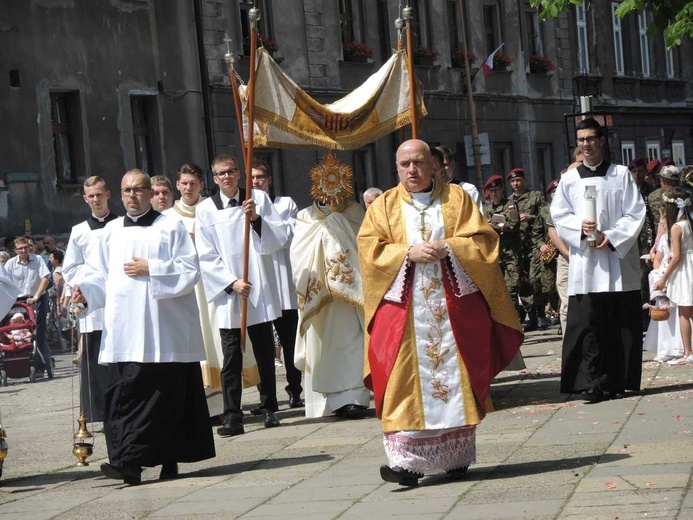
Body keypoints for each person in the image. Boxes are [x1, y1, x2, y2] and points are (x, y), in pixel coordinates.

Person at [358, 139, 523, 487]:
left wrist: (450, 247)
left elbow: (484, 241)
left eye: (418, 163)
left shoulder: (456, 200)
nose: (412, 171)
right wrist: (406, 253)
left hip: (452, 310)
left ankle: (456, 455)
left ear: (433, 164)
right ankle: (406, 464)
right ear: (397, 167)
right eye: (405, 165)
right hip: (403, 311)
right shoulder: (383, 206)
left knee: (455, 374)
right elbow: (370, 250)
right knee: (400, 377)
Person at [71, 169, 215, 485]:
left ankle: (165, 458)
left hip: (165, 332)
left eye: (138, 190)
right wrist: (84, 290)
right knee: (125, 396)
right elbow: (98, 274)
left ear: (150, 192)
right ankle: (128, 464)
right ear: (120, 195)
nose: (132, 196)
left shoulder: (171, 226)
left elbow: (191, 270)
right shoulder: (110, 233)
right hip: (125, 332)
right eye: (127, 190)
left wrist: (152, 268)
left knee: (166, 401)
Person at [551, 118, 645, 403]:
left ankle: (615, 380)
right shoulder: (569, 179)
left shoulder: (620, 175)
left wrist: (612, 236)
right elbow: (559, 215)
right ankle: (591, 382)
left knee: (617, 325)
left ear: (602, 140)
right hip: (586, 264)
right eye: (581, 140)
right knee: (588, 325)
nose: (586, 144)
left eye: (591, 139)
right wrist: (581, 228)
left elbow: (635, 212)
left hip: (614, 261)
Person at [196, 155, 288, 436]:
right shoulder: (205, 209)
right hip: (230, 292)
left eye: (231, 172)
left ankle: (270, 407)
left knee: (263, 353)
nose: (226, 177)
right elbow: (205, 253)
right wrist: (231, 282)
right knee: (231, 357)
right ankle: (233, 416)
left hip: (257, 285)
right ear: (214, 178)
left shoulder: (257, 197)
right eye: (220, 173)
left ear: (239, 173)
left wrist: (257, 219)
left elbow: (279, 237)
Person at [290, 152, 370, 419]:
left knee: (352, 343)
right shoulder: (305, 217)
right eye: (325, 187)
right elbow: (298, 256)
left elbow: (365, 244)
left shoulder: (355, 212)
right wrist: (327, 231)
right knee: (323, 346)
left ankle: (355, 398)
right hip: (320, 297)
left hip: (350, 294)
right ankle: (327, 401)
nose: (330, 194)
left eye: (336, 186)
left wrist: (337, 223)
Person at [161, 163, 229, 419]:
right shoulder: (167, 219)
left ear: (202, 185)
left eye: (193, 183)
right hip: (186, 292)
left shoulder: (211, 211)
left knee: (216, 344)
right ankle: (193, 406)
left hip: (211, 287)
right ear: (177, 185)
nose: (188, 188)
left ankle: (221, 406)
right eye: (184, 183)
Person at [62, 176, 118, 422]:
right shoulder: (79, 231)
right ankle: (98, 411)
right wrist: (90, 280)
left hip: (119, 301)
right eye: (91, 196)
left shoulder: (123, 225)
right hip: (94, 306)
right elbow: (71, 269)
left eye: (99, 194)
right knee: (95, 361)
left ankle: (121, 409)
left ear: (108, 194)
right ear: (85, 199)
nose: (96, 200)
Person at [250, 160, 303, 409]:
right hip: (260, 280)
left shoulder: (285, 203)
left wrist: (264, 223)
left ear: (269, 179)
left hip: (283, 281)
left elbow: (288, 236)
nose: (256, 182)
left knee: (289, 340)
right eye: (252, 178)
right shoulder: (245, 205)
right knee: (262, 344)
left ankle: (295, 387)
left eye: (260, 177)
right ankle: (265, 394)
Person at [653, 186, 693, 365]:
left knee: (684, 312)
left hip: (684, 270)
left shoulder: (677, 227)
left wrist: (663, 278)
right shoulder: (690, 223)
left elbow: (677, 256)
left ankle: (688, 352)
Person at [5, 237, 53, 378]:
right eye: (20, 248)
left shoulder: (38, 259)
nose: (23, 251)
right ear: (15, 250)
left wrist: (37, 296)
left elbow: (45, 278)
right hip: (17, 300)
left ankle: (41, 364)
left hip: (36, 297)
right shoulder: (10, 264)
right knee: (16, 329)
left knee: (38, 332)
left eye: (25, 247)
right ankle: (16, 362)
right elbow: (5, 281)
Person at [507, 168, 547, 331]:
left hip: (534, 244)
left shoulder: (535, 196)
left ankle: (542, 313)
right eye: (512, 181)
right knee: (522, 283)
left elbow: (546, 215)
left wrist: (530, 217)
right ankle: (532, 317)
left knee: (534, 279)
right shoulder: (509, 201)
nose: (516, 184)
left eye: (518, 180)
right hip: (517, 247)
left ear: (524, 180)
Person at [483, 175, 522, 320]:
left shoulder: (510, 205)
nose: (494, 193)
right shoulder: (486, 208)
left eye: (497, 190)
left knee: (511, 289)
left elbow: (514, 224)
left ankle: (514, 320)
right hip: (494, 254)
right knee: (498, 291)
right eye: (491, 191)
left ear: (502, 190)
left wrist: (498, 226)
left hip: (510, 253)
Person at [643, 229, 683, 363]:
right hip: (664, 280)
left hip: (679, 276)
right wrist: (659, 275)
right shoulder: (664, 238)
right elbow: (658, 259)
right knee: (665, 314)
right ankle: (666, 349)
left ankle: (682, 347)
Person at [545, 179, 570, 335]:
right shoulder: (555, 207)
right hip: (564, 257)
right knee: (566, 303)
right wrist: (565, 253)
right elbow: (551, 229)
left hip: (588, 256)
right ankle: (568, 339)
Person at [435, 145, 483, 211]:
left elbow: (477, 220)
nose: (441, 170)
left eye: (444, 165)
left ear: (453, 165)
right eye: (437, 166)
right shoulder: (426, 194)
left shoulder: (468, 190)